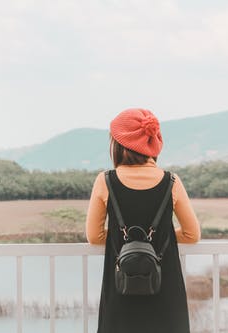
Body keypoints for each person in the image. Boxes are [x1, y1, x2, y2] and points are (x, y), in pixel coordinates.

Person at [85, 108, 201, 333]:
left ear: (118, 145)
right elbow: (192, 234)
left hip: (121, 289)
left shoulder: (105, 181)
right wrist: (161, 236)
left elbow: (94, 236)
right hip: (165, 290)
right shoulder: (172, 181)